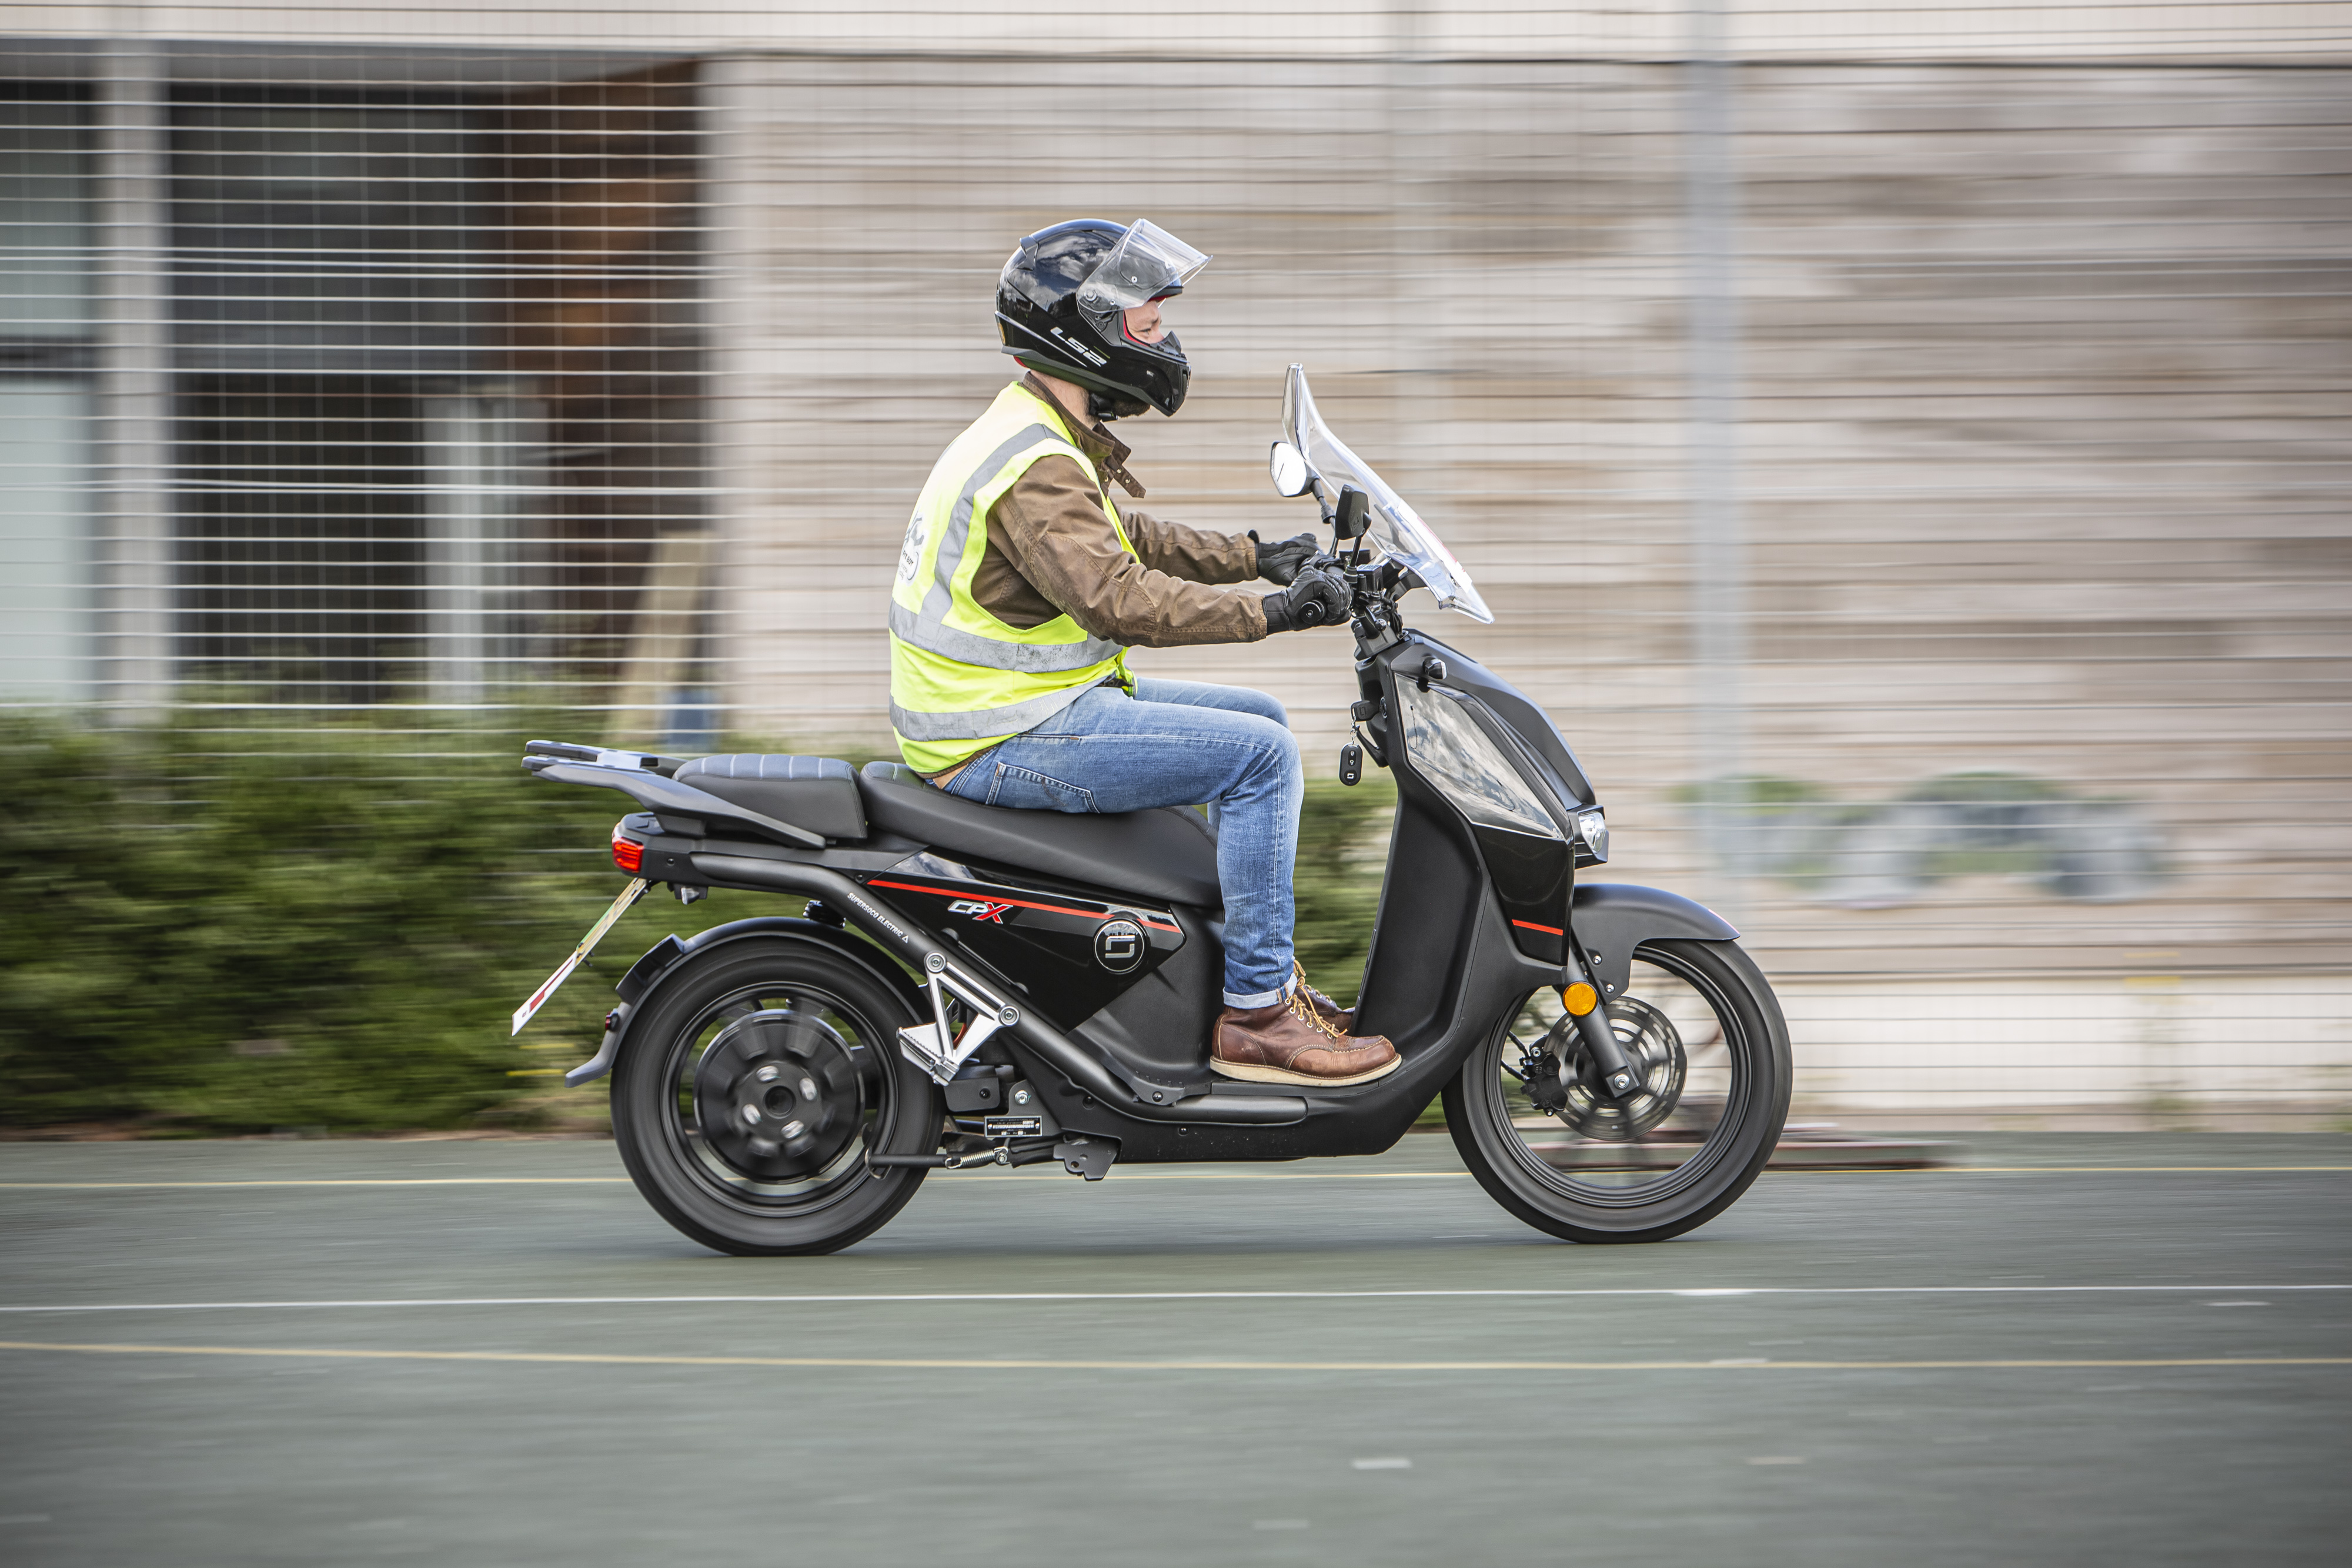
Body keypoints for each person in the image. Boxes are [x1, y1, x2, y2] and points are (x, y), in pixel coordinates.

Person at [887, 219, 1399, 1087]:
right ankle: (1258, 1013)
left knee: (1259, 720)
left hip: (1018, 710)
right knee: (1263, 759)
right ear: (1081, 332)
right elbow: (1116, 599)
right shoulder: (1034, 462)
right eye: (1149, 329)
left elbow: (1122, 538)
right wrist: (1275, 612)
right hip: (995, 735)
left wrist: (1255, 553)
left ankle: (1219, 968)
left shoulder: (1036, 431)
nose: (1163, 345)